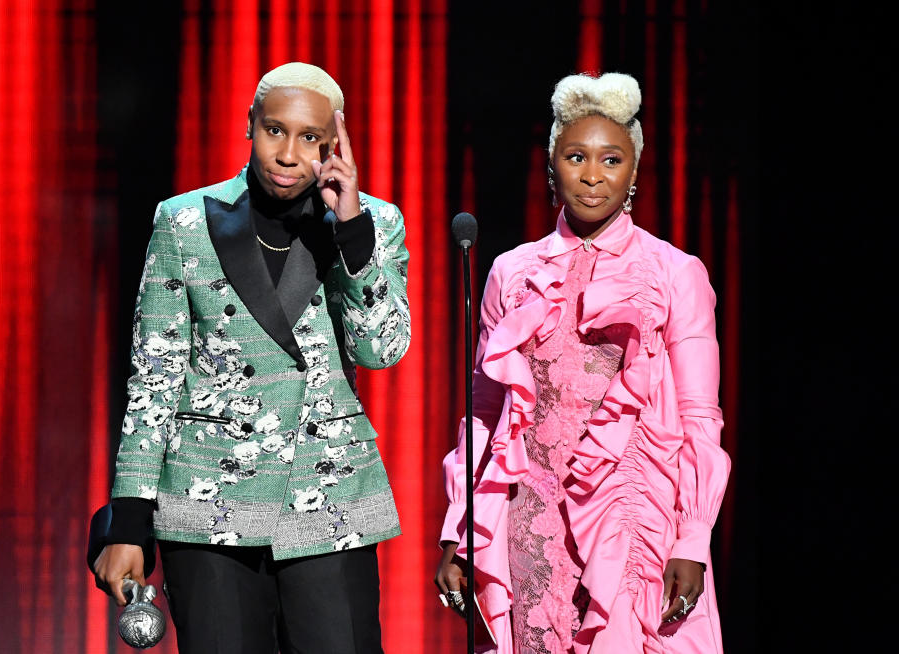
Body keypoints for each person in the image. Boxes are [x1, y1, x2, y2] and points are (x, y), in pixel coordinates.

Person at [93, 62, 410, 653]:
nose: (289, 153)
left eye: (310, 138)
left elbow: (381, 350)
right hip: (208, 497)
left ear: (335, 143)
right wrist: (130, 518)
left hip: (329, 499)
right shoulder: (184, 220)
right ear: (250, 126)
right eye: (275, 130)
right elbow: (154, 377)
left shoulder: (372, 222)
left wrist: (350, 229)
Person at [434, 73, 730, 653]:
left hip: (633, 516)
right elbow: (485, 414)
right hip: (530, 521)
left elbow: (700, 416)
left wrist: (692, 541)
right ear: (552, 167)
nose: (593, 175)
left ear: (634, 171)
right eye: (576, 157)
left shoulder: (674, 274)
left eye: (611, 159)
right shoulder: (512, 273)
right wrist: (460, 531)